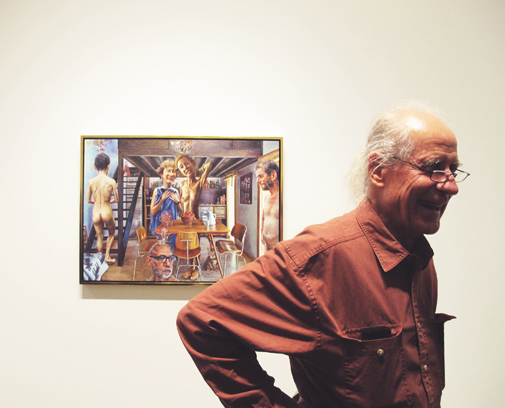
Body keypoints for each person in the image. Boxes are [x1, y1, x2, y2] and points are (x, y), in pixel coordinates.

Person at [177, 101, 469, 408]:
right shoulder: (320, 257)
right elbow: (201, 320)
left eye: (453, 170)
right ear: (378, 170)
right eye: (433, 168)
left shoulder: (420, 258)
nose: (451, 186)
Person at [87, 152, 119, 265]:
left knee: (99, 237)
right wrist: (108, 202)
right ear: (108, 166)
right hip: (106, 210)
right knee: (111, 234)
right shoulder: (111, 181)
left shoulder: (91, 182)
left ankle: (100, 259)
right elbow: (117, 199)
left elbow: (88, 200)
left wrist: (97, 202)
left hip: (96, 211)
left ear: (94, 166)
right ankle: (107, 256)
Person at [150, 160, 181, 247]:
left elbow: (180, 212)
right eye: (168, 171)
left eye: (173, 171)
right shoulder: (157, 191)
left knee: (173, 248)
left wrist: (177, 201)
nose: (171, 174)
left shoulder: (175, 191)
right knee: (162, 249)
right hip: (160, 228)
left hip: (173, 228)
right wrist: (162, 199)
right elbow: (152, 211)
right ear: (161, 174)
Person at [175, 154, 212, 219]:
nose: (185, 167)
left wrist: (197, 171)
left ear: (193, 163)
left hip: (195, 221)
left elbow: (209, 165)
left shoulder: (199, 183)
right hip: (183, 220)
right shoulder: (182, 184)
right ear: (180, 172)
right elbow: (180, 204)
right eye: (181, 167)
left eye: (187, 163)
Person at [255, 159, 280, 251]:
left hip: (278, 250)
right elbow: (264, 215)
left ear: (273, 175)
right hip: (267, 247)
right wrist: (262, 231)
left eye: (261, 176)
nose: (257, 181)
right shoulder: (267, 196)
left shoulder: (282, 198)